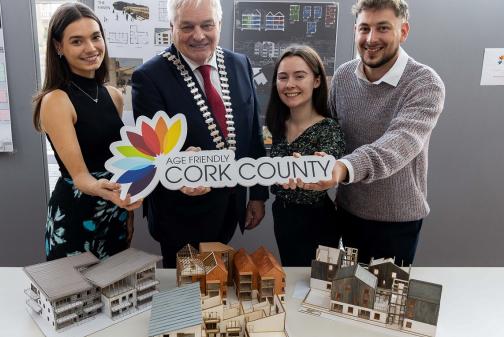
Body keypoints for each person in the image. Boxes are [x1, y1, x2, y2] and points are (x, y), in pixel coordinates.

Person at [302, 0, 445, 266]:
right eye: (364, 28)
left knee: (383, 302)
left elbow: (398, 144)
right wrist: (313, 159)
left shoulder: (425, 83)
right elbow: (332, 135)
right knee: (344, 297)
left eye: (383, 28)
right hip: (347, 211)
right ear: (355, 30)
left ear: (403, 31)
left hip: (396, 222)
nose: (371, 38)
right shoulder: (344, 76)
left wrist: (342, 168)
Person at [131, 0, 268, 267]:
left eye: (207, 25)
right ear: (172, 27)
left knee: (216, 287)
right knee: (187, 296)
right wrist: (177, 165)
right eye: (187, 26)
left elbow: (253, 133)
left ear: (220, 24)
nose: (198, 35)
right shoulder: (149, 77)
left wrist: (259, 194)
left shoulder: (240, 64)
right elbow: (153, 150)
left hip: (231, 206)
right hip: (180, 214)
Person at [32, 3, 141, 261]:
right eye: (77, 41)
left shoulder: (113, 95)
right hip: (76, 214)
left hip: (114, 211)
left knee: (115, 294)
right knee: (76, 296)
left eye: (95, 37)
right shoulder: (56, 100)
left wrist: (128, 211)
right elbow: (80, 176)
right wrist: (109, 192)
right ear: (59, 47)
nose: (91, 48)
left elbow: (120, 162)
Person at [266, 46, 345, 266]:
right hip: (282, 216)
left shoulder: (328, 128)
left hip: (318, 221)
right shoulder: (277, 126)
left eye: (299, 76)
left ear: (317, 81)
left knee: (318, 285)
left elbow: (328, 165)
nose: (289, 84)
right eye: (283, 77)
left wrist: (311, 168)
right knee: (291, 278)